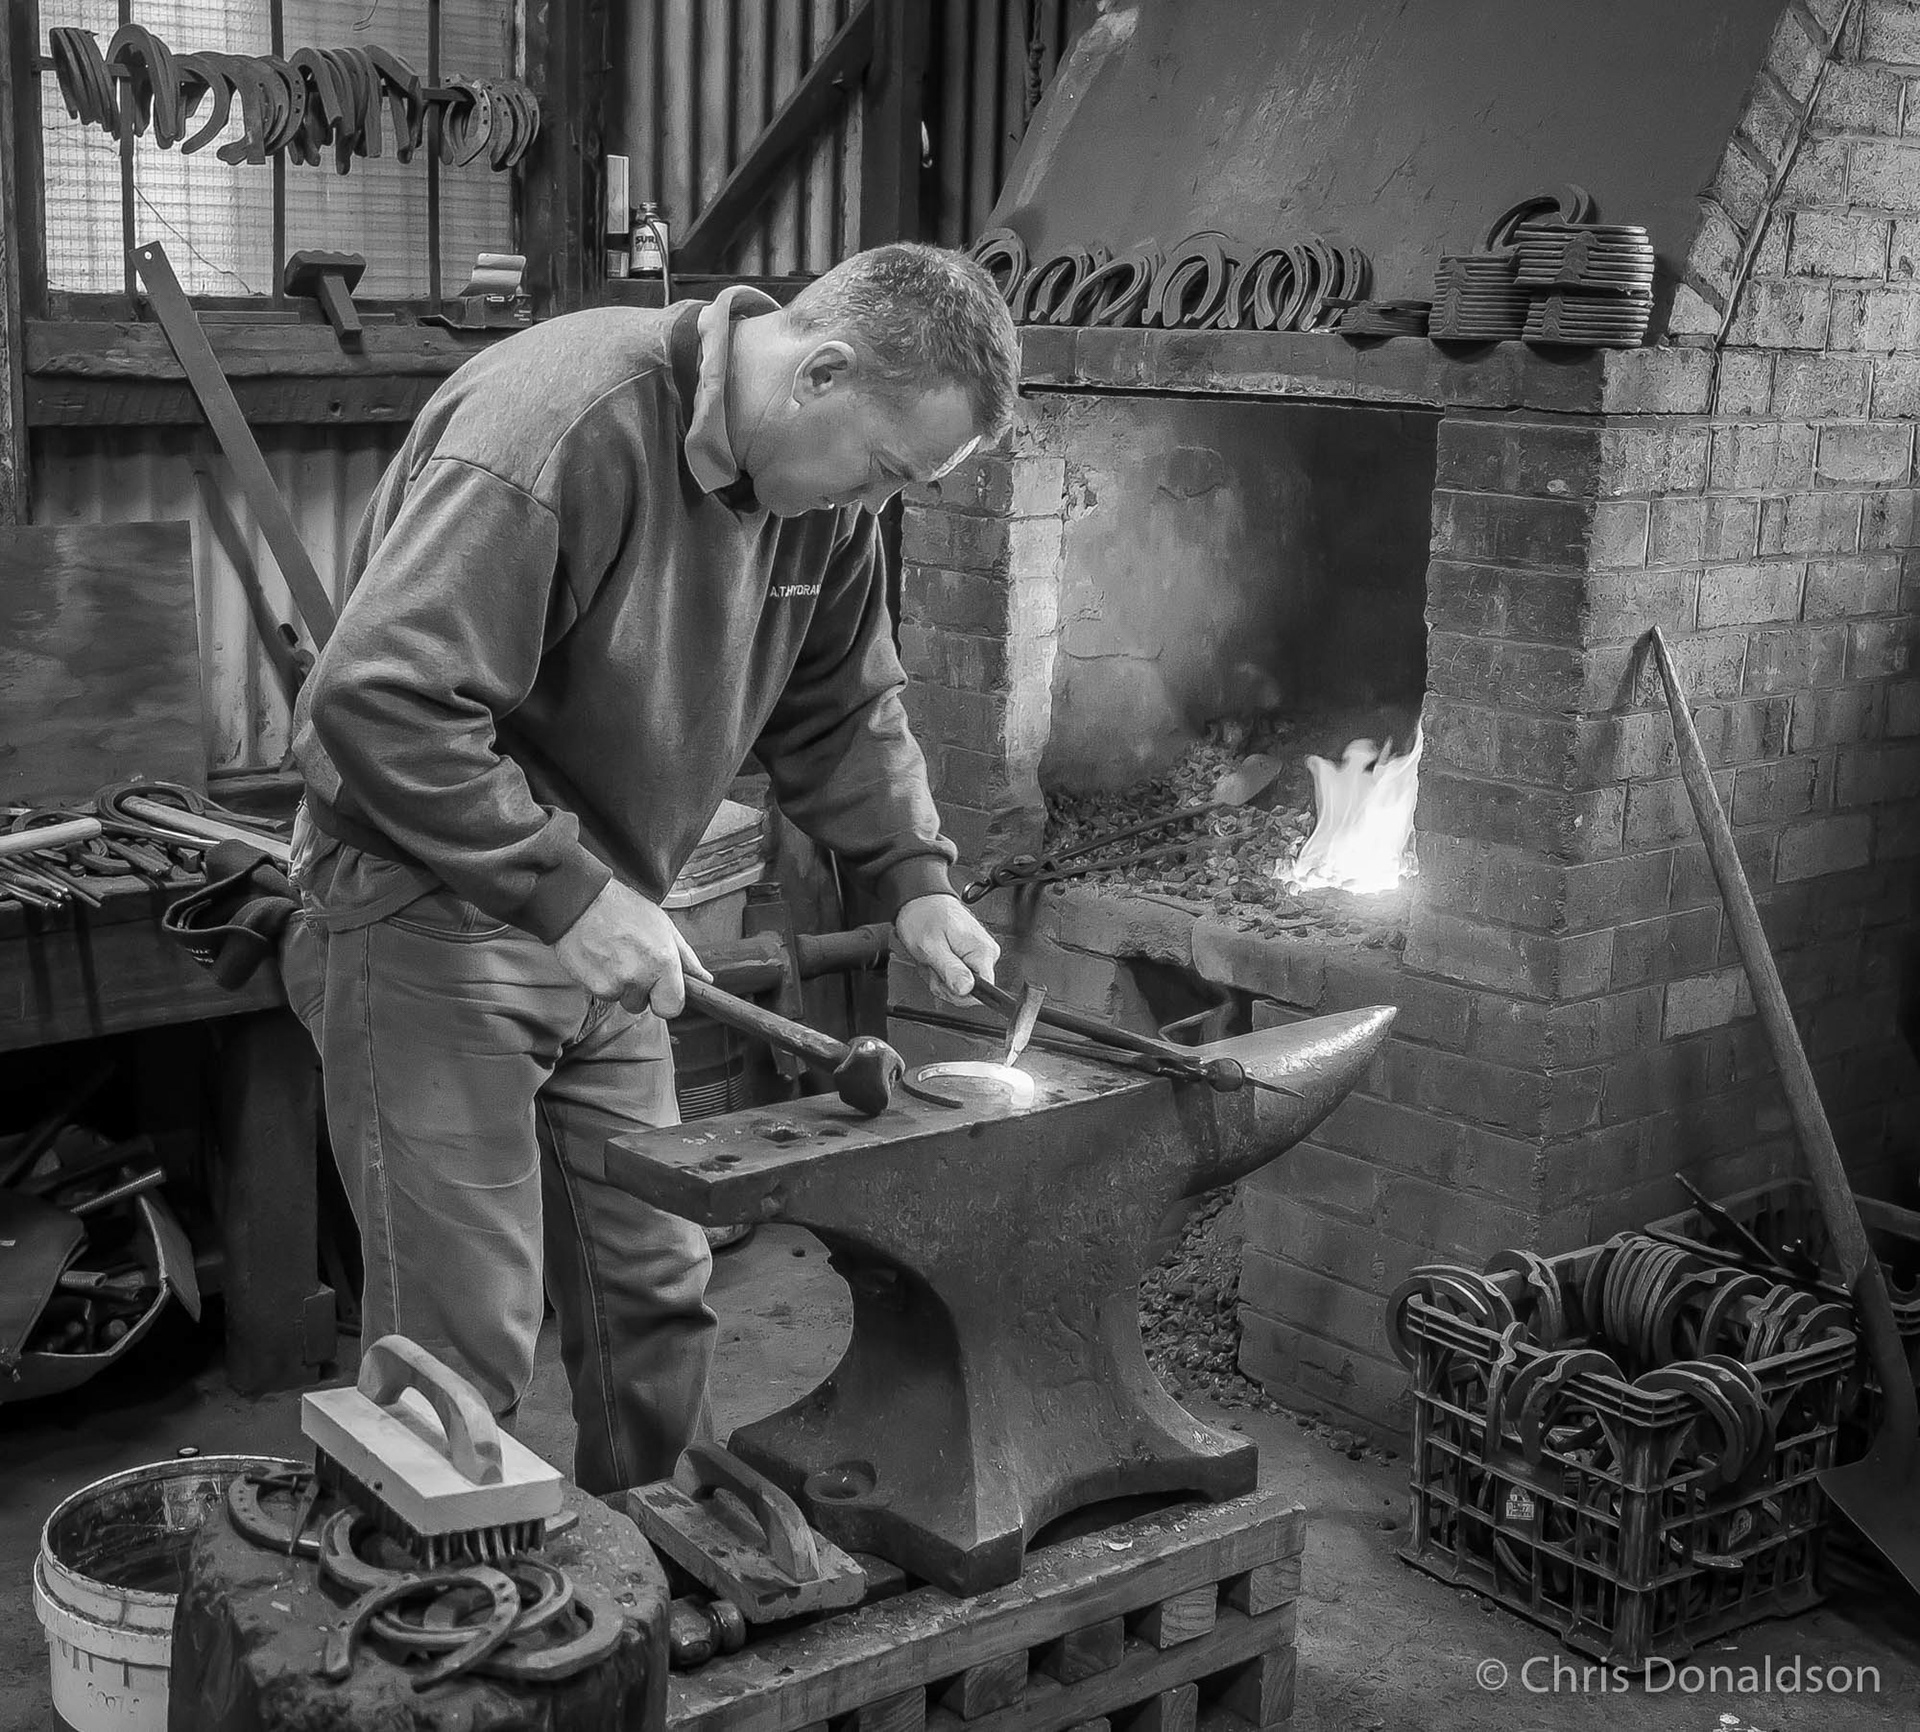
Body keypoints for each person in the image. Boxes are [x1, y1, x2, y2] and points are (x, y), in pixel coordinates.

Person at [280, 243, 1014, 1494]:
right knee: (462, 1342)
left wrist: (916, 877)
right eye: (890, 469)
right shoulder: (565, 422)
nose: (880, 505)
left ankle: (643, 1579)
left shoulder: (822, 504)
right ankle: (450, 1649)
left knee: (656, 1294)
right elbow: (379, 697)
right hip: (427, 909)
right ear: (821, 371)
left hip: (606, 921)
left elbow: (842, 704)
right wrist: (568, 895)